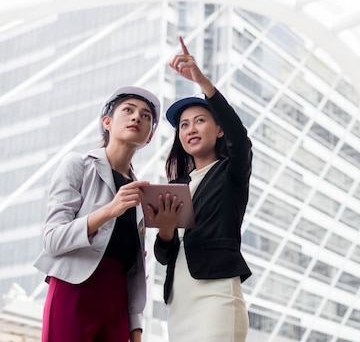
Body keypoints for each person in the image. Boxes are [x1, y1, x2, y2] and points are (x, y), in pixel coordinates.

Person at [145, 37, 252, 342]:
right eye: (184, 125)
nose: (190, 129)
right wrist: (165, 232)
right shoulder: (178, 188)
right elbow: (165, 254)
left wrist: (202, 81)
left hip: (216, 297)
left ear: (219, 130)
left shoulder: (231, 172)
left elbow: (240, 137)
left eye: (200, 120)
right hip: (180, 301)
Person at [33, 86, 161, 342]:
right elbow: (52, 240)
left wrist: (135, 329)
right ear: (107, 122)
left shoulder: (141, 193)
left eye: (146, 116)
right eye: (128, 110)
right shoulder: (77, 165)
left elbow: (135, 269)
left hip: (118, 302)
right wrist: (110, 211)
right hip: (74, 290)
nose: (137, 117)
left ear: (149, 138)